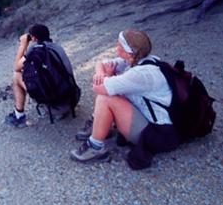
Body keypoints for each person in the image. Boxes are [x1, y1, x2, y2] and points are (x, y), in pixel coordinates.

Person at [69, 29, 179, 168]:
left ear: (129, 52)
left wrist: (106, 76)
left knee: (106, 97)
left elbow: (98, 88)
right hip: (158, 124)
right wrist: (102, 73)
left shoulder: (141, 74)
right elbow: (100, 64)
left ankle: (95, 147)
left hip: (159, 134)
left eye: (119, 45)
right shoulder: (141, 60)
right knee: (110, 90)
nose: (116, 47)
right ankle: (101, 125)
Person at [5, 24, 75, 128]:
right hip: (71, 99)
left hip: (55, 106)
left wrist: (23, 45)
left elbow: (17, 67)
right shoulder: (57, 47)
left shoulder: (35, 49)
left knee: (16, 75)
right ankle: (61, 109)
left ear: (33, 38)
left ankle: (18, 115)